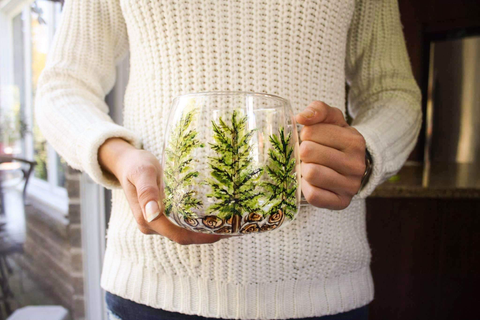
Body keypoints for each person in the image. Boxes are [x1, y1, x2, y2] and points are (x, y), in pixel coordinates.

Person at [35, 0, 421, 319]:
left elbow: (393, 92)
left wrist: (367, 152)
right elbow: (63, 86)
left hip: (321, 290)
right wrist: (117, 155)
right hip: (154, 288)